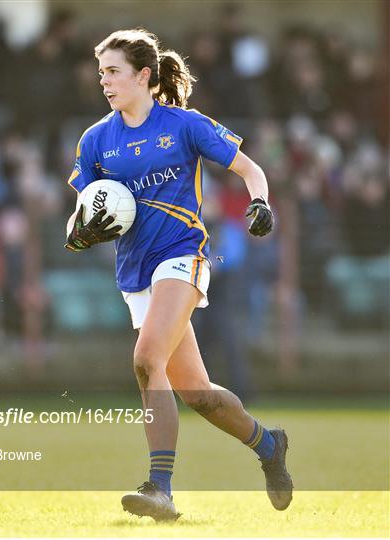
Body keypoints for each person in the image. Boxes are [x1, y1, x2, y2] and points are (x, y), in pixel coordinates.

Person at [64, 29, 292, 521]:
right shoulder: (95, 140)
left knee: (148, 359)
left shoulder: (184, 124)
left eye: (113, 71)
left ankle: (160, 489)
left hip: (182, 256)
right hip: (135, 273)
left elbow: (251, 169)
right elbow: (83, 210)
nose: (104, 81)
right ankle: (269, 445)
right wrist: (79, 233)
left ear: (144, 75)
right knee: (198, 395)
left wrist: (260, 203)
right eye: (101, 72)